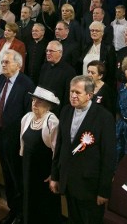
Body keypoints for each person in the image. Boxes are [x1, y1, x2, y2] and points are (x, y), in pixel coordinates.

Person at [50, 76, 116, 224]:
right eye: (71, 92)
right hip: (68, 180)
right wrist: (55, 175)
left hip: (90, 187)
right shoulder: (66, 111)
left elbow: (109, 157)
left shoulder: (104, 117)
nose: (73, 96)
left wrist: (103, 191)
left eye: (77, 92)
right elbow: (60, 146)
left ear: (89, 95)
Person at [0, 50, 34, 224]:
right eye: (2, 62)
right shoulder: (2, 79)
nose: (3, 64)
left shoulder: (27, 85)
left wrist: (21, 142)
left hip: (16, 141)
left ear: (18, 64)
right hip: (1, 136)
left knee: (17, 179)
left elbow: (28, 116)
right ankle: (12, 210)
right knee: (8, 178)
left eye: (7, 62)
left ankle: (21, 215)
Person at [20, 86, 61, 224]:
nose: (34, 104)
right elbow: (23, 145)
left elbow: (57, 150)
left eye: (39, 102)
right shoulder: (27, 118)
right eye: (33, 101)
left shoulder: (52, 122)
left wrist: (53, 174)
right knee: (28, 199)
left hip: (44, 173)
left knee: (43, 204)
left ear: (48, 106)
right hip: (28, 168)